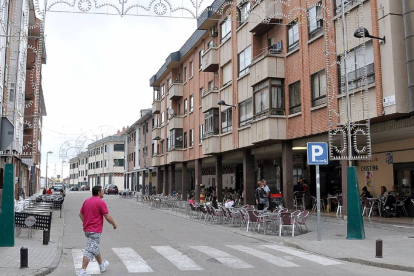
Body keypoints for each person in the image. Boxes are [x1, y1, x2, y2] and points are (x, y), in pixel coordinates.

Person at [78, 186, 117, 276]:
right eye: (102, 191)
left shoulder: (87, 201)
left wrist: (85, 223)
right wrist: (114, 224)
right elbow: (107, 217)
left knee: (95, 247)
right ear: (99, 193)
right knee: (90, 250)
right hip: (94, 230)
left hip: (87, 230)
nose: (103, 192)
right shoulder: (100, 202)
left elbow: (80, 214)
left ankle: (101, 266)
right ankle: (82, 271)